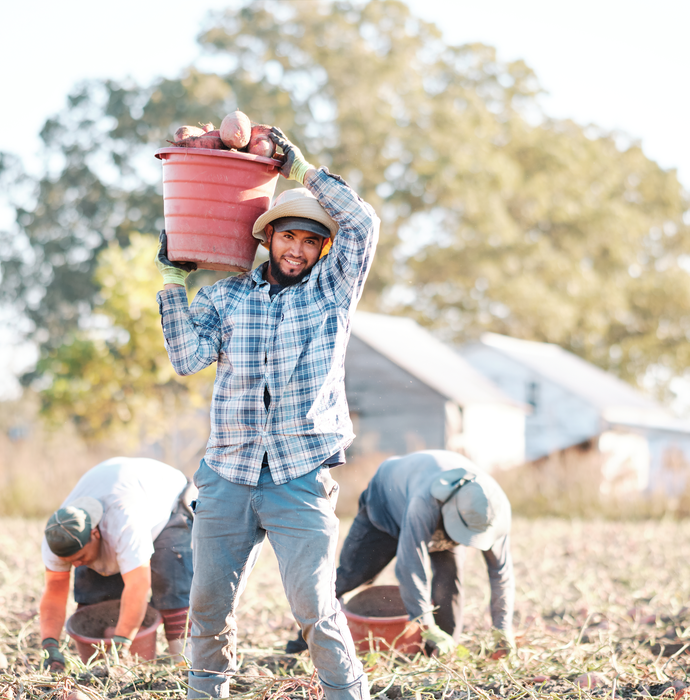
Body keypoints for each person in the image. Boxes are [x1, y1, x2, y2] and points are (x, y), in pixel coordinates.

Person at [155, 127, 379, 700]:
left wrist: (303, 171)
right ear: (269, 237)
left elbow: (364, 225)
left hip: (298, 473)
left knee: (313, 603)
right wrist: (174, 284)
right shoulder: (226, 297)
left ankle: (347, 693)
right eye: (289, 237)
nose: (298, 250)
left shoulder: (331, 292)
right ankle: (207, 692)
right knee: (208, 604)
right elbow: (187, 357)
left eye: (310, 241)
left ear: (322, 249)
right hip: (227, 472)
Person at [285, 450, 514, 657]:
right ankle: (303, 643)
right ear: (450, 511)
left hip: (438, 506)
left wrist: (503, 629)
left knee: (449, 580)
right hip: (386, 502)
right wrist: (426, 625)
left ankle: (441, 653)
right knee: (353, 574)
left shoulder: (492, 512)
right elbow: (410, 567)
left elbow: (500, 574)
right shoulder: (425, 502)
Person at [38, 456, 195, 670]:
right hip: (113, 486)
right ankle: (100, 666)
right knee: (94, 598)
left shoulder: (123, 525)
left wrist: (120, 647)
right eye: (69, 561)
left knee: (171, 586)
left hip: (167, 501)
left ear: (95, 534)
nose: (75, 565)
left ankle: (186, 665)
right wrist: (50, 646)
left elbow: (138, 586)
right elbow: (54, 593)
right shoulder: (56, 539)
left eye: (79, 557)